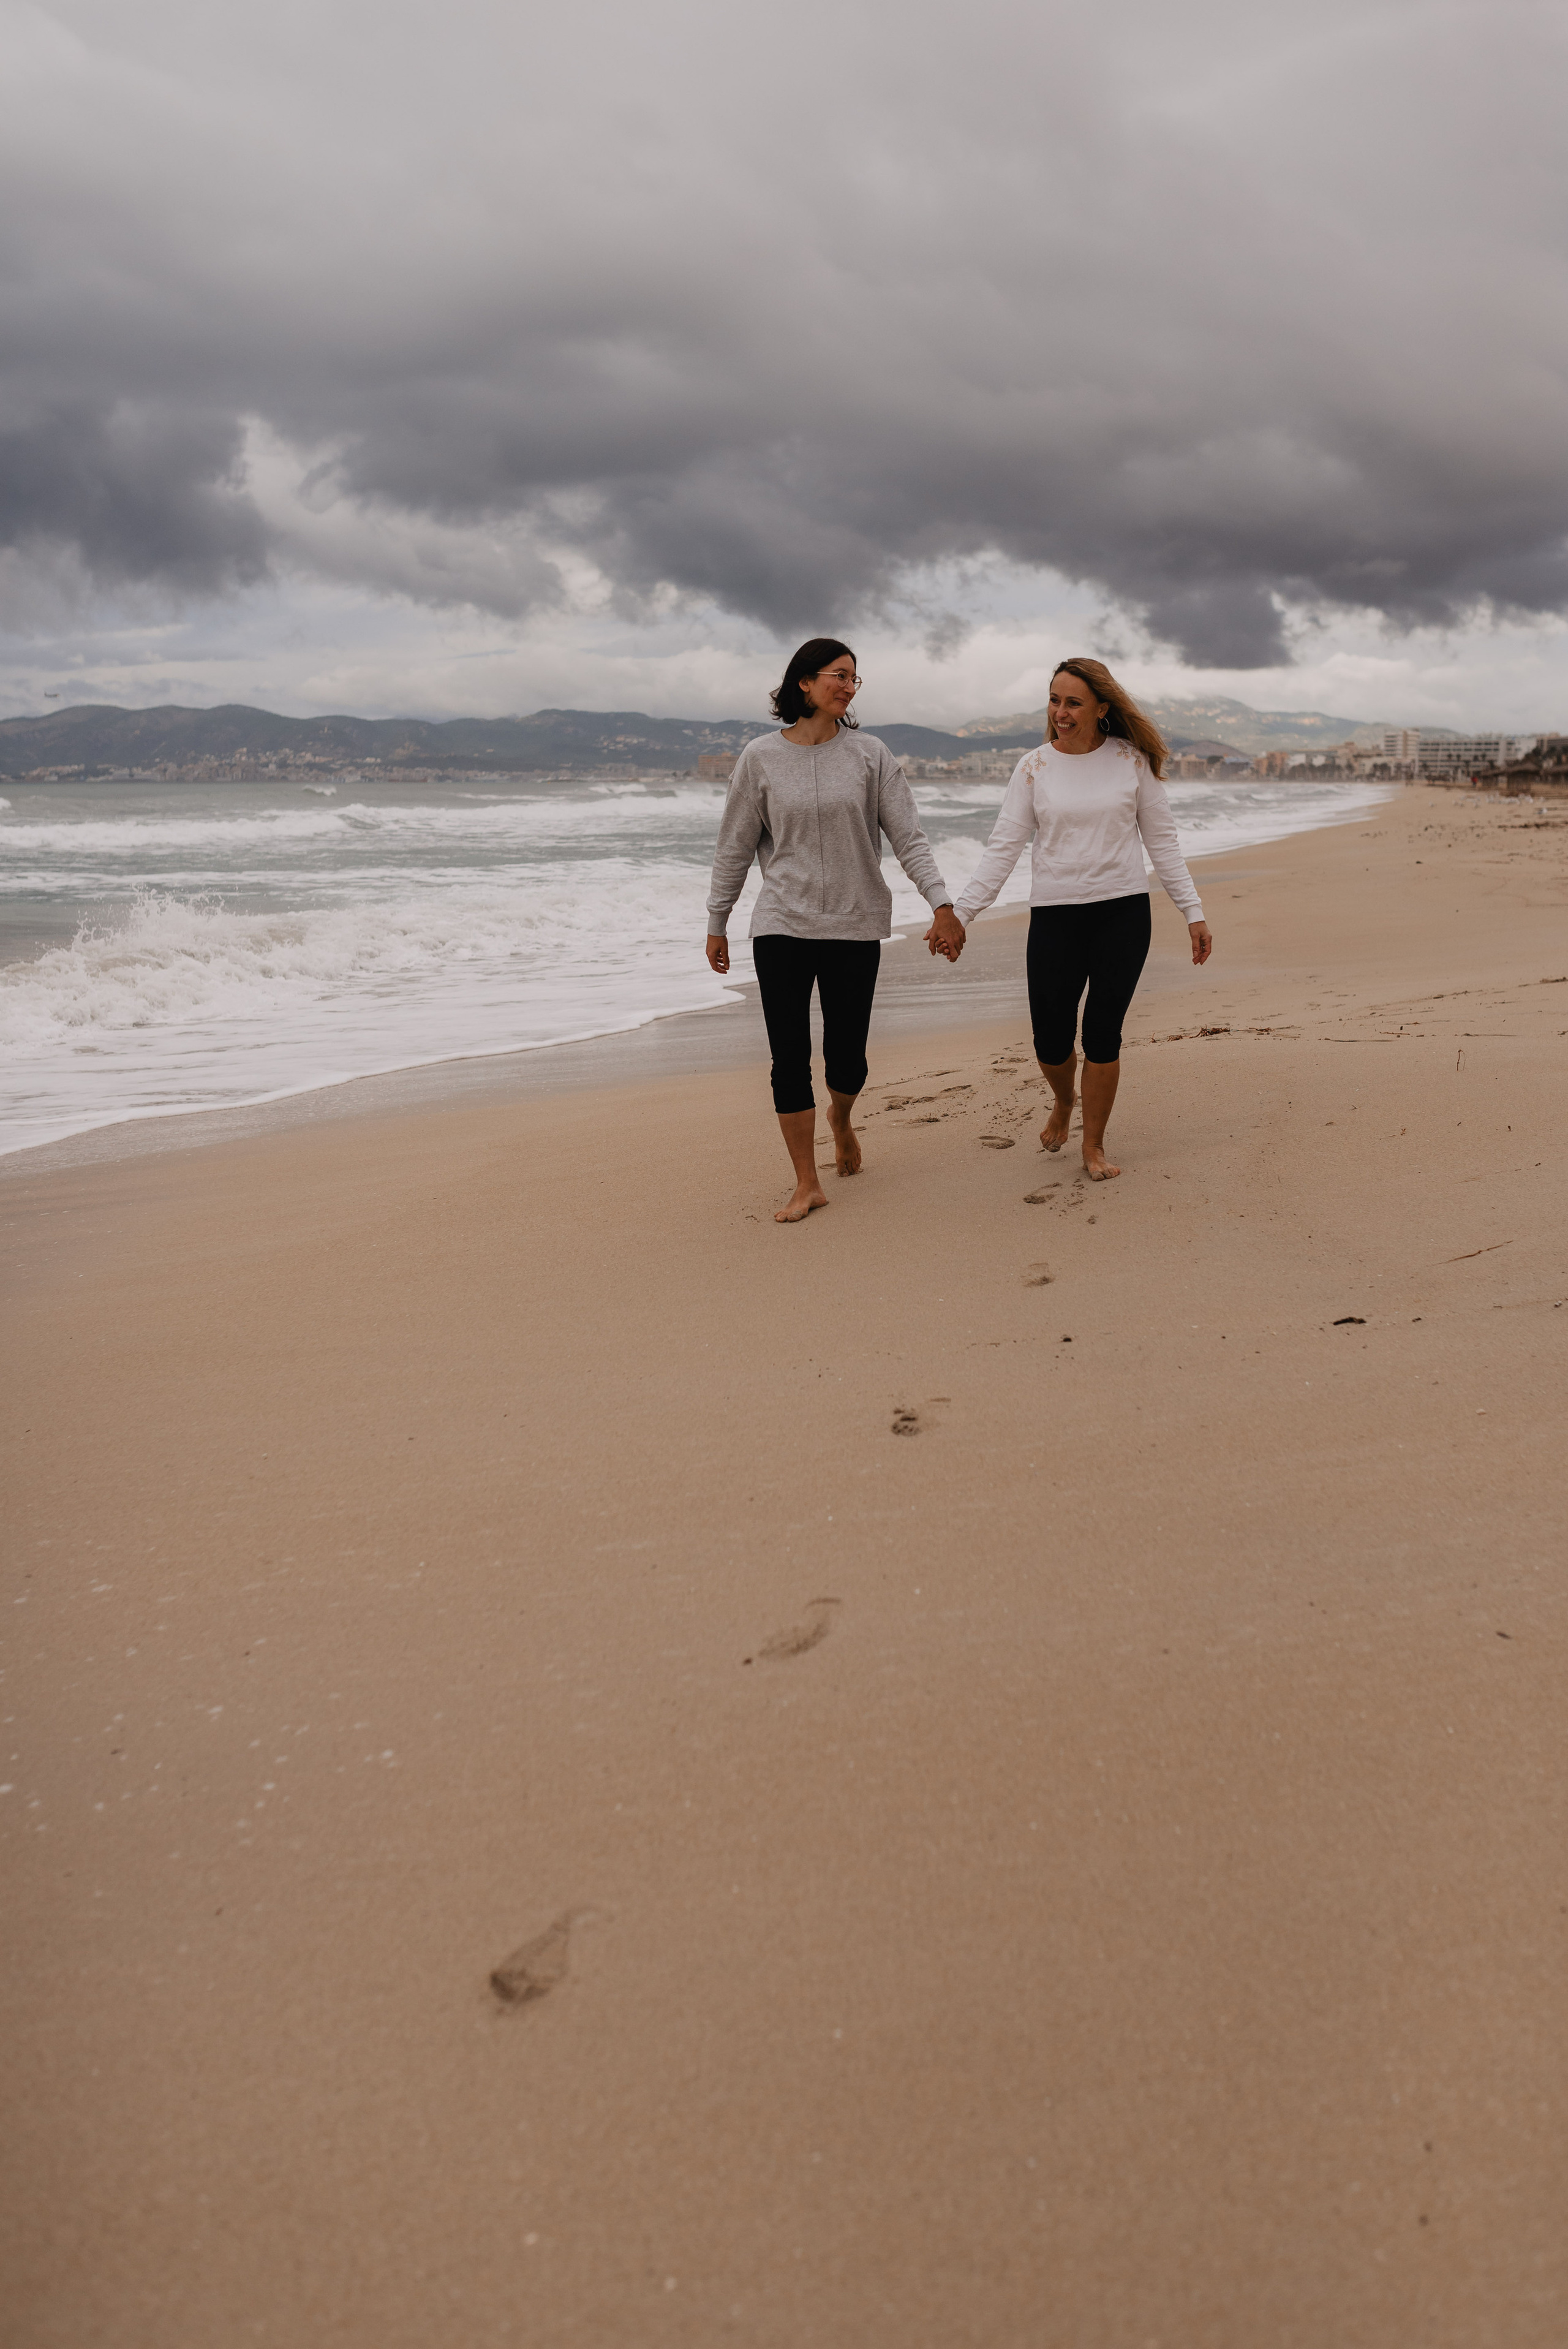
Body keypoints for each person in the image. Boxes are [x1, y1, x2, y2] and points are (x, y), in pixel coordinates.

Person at [706, 638, 965, 1222]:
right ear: (804, 682)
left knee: (847, 1061)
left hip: (854, 924)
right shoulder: (760, 758)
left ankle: (842, 1116)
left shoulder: (871, 755)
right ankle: (806, 1182)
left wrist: (941, 904)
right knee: (788, 1058)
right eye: (839, 675)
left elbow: (908, 837)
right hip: (782, 925)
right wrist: (717, 922)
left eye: (854, 678)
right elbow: (734, 849)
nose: (849, 686)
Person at [929, 657, 1213, 1181]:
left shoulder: (1131, 760)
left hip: (1122, 914)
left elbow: (1163, 841)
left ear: (1102, 708)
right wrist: (960, 914)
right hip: (1056, 917)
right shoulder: (1034, 767)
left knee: (1104, 1034)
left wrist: (1192, 912)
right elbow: (1003, 848)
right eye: (1054, 700)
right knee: (1051, 1040)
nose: (1061, 712)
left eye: (1073, 702)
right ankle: (1064, 1100)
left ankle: (1095, 1145)